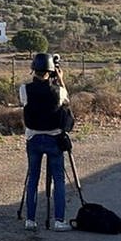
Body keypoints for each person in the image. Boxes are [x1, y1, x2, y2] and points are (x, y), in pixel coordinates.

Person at [19, 52, 71, 231]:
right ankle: (59, 220)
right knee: (58, 179)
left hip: (33, 138)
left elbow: (25, 105)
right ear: (51, 71)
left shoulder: (24, 89)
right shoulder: (59, 91)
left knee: (33, 178)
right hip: (54, 139)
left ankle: (30, 220)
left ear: (33, 69)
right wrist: (60, 80)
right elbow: (67, 103)